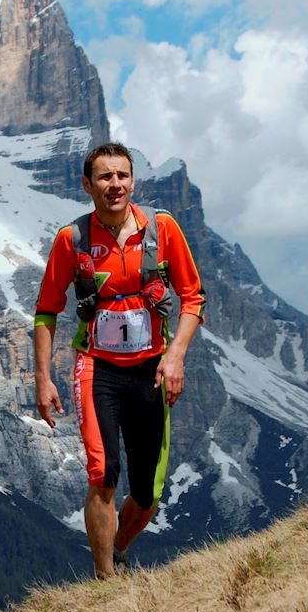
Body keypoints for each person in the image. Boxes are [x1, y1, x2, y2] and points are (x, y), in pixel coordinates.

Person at [33, 142, 206, 578]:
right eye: (105, 177)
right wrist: (42, 378)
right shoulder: (72, 240)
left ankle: (120, 546)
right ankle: (105, 578)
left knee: (147, 491)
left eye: (123, 176)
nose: (115, 185)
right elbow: (46, 311)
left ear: (133, 180)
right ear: (87, 184)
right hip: (98, 368)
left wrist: (176, 356)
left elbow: (193, 297)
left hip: (151, 369)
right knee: (103, 471)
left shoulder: (162, 229)